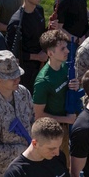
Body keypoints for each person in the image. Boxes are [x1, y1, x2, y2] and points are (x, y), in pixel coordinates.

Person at [32, 28, 78, 160]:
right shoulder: (43, 81)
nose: (67, 51)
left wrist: (74, 85)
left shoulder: (65, 67)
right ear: (50, 53)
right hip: (53, 132)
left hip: (69, 123)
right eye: (62, 49)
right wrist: (66, 120)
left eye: (66, 47)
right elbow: (38, 115)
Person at [7, 0, 48, 87]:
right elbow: (12, 53)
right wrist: (37, 57)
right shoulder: (16, 22)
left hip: (43, 63)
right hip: (26, 71)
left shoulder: (39, 10)